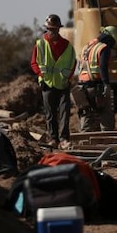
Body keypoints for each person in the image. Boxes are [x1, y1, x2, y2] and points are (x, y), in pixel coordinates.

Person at [31, 14, 77, 149]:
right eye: (50, 29)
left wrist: (67, 78)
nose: (52, 31)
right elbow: (34, 63)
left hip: (63, 84)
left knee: (64, 112)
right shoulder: (40, 44)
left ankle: (63, 139)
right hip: (47, 84)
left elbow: (73, 63)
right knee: (50, 113)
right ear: (46, 29)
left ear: (59, 29)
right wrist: (41, 75)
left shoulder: (67, 46)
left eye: (55, 29)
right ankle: (53, 139)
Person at [75, 25, 117, 132]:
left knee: (86, 114)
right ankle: (107, 137)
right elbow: (103, 67)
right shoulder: (104, 48)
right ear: (110, 38)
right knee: (106, 113)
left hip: (82, 86)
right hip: (95, 86)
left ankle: (85, 139)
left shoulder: (88, 45)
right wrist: (106, 84)